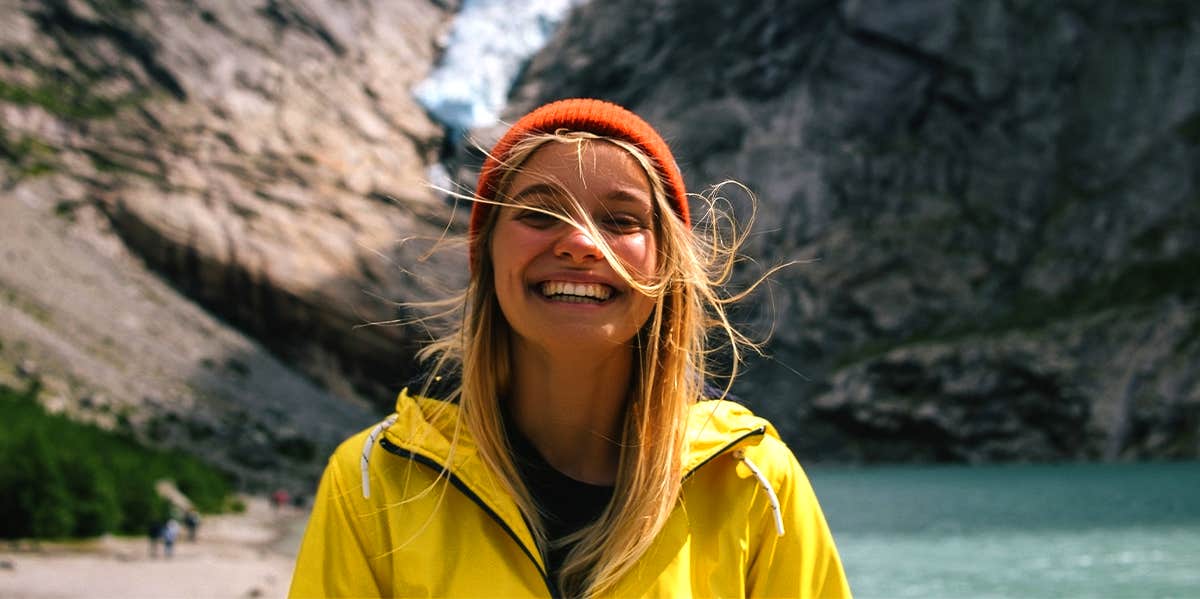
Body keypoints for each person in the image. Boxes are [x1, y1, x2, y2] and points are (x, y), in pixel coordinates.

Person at [289, 99, 850, 598]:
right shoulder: (373, 483)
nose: (580, 241)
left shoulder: (753, 483)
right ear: (485, 258)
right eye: (540, 213)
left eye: (621, 220)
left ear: (667, 265)